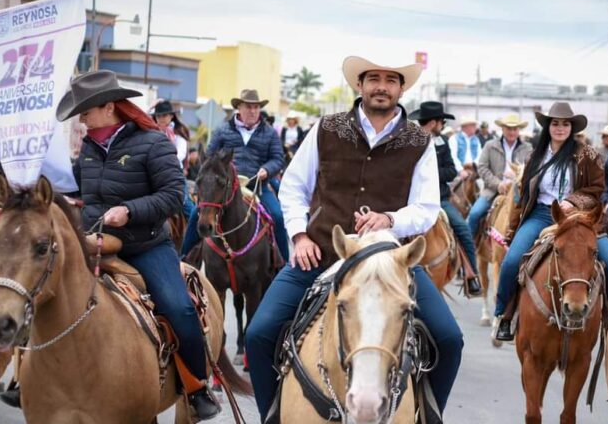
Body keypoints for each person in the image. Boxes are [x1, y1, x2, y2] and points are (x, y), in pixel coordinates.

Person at [245, 56, 463, 422]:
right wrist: (299, 236)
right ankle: (273, 416)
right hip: (324, 255)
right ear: (359, 86)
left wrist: (390, 219)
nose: (381, 86)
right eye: (373, 79)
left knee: (449, 339)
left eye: (390, 80)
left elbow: (427, 208)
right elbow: (294, 188)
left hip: (391, 260)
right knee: (260, 333)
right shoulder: (326, 129)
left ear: (401, 88)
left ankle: (427, 416)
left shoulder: (418, 141)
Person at [56, 70, 220, 419]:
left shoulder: (154, 142)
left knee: (179, 308)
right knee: (45, 290)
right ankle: (27, 380)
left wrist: (129, 211)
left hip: (146, 245)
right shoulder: (88, 148)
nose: (81, 118)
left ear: (110, 107)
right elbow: (78, 188)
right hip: (94, 242)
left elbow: (174, 195)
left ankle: (196, 387)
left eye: (86, 110)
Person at [493, 102, 608, 342]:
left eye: (565, 124)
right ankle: (504, 314)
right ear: (548, 127)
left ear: (572, 127)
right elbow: (523, 196)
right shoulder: (535, 156)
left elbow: (597, 188)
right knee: (511, 261)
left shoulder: (588, 153)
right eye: (555, 123)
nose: (560, 128)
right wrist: (513, 229)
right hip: (542, 214)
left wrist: (574, 201)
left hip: (580, 218)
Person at [180, 89, 289, 261]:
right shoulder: (223, 130)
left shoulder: (269, 133)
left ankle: (284, 263)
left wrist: (267, 169)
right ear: (239, 107)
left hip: (257, 187)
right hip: (225, 186)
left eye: (256, 107)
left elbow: (278, 158)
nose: (253, 111)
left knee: (277, 216)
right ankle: (185, 257)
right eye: (248, 107)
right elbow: (209, 157)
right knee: (196, 214)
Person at [410, 100, 482, 296]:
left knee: (462, 229)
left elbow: (451, 170)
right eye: (441, 122)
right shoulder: (409, 141)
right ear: (433, 123)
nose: (442, 126)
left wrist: (429, 173)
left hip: (438, 200)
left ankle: (471, 275)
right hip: (410, 201)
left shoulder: (441, 143)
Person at [468, 113, 531, 239]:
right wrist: (498, 184)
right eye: (508, 128)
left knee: (531, 220)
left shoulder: (527, 148)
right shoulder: (490, 145)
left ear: (519, 130)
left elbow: (531, 171)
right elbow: (482, 167)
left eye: (515, 129)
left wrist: (515, 177)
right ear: (502, 129)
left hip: (517, 193)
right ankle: (469, 246)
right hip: (492, 191)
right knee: (474, 214)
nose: (512, 132)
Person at [152, 100, 194, 219]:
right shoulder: (151, 132)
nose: (161, 118)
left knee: (184, 203)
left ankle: (198, 230)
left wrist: (161, 160)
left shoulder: (178, 133)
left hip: (174, 174)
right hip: (155, 172)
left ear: (171, 116)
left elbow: (180, 154)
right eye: (158, 116)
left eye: (164, 115)